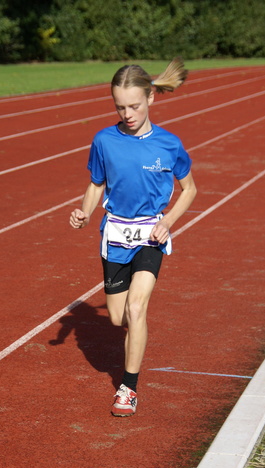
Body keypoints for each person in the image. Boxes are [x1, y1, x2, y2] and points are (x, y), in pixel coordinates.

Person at [70, 58, 197, 417]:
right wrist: (85, 211)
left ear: (151, 98)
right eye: (120, 107)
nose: (127, 113)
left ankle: (128, 388)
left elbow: (189, 189)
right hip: (115, 233)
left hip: (150, 234)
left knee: (136, 307)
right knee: (116, 317)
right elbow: (96, 184)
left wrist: (168, 221)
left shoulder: (169, 144)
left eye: (135, 106)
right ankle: (134, 336)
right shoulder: (104, 141)